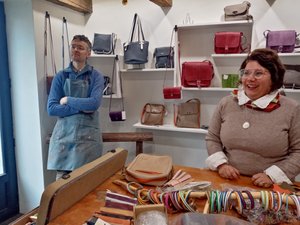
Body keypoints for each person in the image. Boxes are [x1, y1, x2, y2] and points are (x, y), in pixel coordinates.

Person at [205, 48, 300, 188]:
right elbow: (212, 138)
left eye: (259, 73)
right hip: (227, 182)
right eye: (246, 73)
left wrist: (271, 176)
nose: (250, 78)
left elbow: (298, 152)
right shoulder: (227, 103)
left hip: (273, 187)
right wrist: (222, 165)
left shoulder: (292, 109)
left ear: (274, 77)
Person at [47, 35, 105, 180]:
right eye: (73, 46)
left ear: (88, 53)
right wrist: (82, 107)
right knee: (61, 186)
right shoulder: (60, 76)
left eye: (80, 48)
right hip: (64, 136)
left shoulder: (96, 76)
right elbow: (52, 108)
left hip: (88, 138)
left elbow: (94, 104)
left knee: (86, 183)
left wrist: (68, 100)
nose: (76, 50)